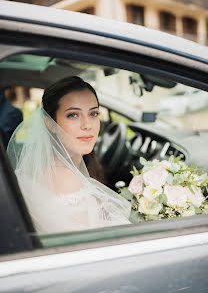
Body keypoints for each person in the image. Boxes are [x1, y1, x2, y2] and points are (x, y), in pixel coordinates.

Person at [7, 76, 131, 234]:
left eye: (93, 114)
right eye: (73, 115)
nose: (87, 125)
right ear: (50, 124)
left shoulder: (50, 168)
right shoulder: (66, 179)